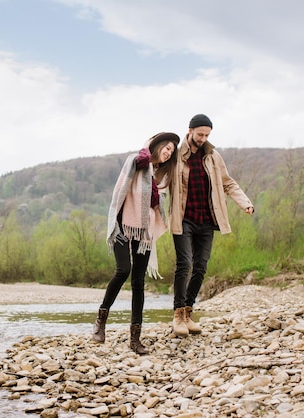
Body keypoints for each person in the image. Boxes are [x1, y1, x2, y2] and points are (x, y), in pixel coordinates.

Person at [93, 132, 180, 354]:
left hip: (144, 231)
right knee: (123, 270)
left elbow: (157, 205)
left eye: (171, 151)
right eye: (166, 148)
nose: (168, 152)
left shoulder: (160, 176)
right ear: (157, 145)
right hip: (123, 224)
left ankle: (135, 339)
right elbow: (120, 191)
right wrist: (114, 222)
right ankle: (101, 321)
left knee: (139, 282)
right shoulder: (136, 161)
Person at [169, 114, 254, 337]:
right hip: (183, 219)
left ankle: (188, 312)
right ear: (190, 131)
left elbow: (228, 183)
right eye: (200, 134)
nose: (203, 138)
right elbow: (160, 178)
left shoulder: (213, 156)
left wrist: (245, 203)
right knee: (184, 263)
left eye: (207, 135)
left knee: (201, 267)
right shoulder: (176, 155)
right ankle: (178, 315)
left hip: (206, 221)